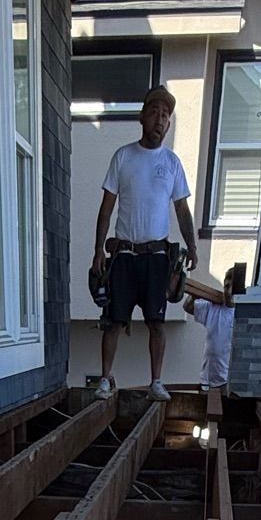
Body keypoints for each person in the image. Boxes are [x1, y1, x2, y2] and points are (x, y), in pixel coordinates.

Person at [92, 86, 197, 400]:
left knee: (157, 323)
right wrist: (98, 249)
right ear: (142, 116)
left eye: (166, 115)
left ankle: (156, 382)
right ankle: (105, 379)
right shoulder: (123, 156)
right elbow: (106, 207)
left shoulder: (172, 162)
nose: (160, 119)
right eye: (154, 112)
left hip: (156, 257)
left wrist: (193, 246)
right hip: (124, 254)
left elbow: (181, 208)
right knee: (113, 321)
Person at [184, 263, 243, 391]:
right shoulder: (213, 307)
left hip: (228, 382)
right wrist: (195, 295)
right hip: (207, 380)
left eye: (233, 287)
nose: (228, 291)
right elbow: (187, 307)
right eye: (226, 286)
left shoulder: (243, 315)